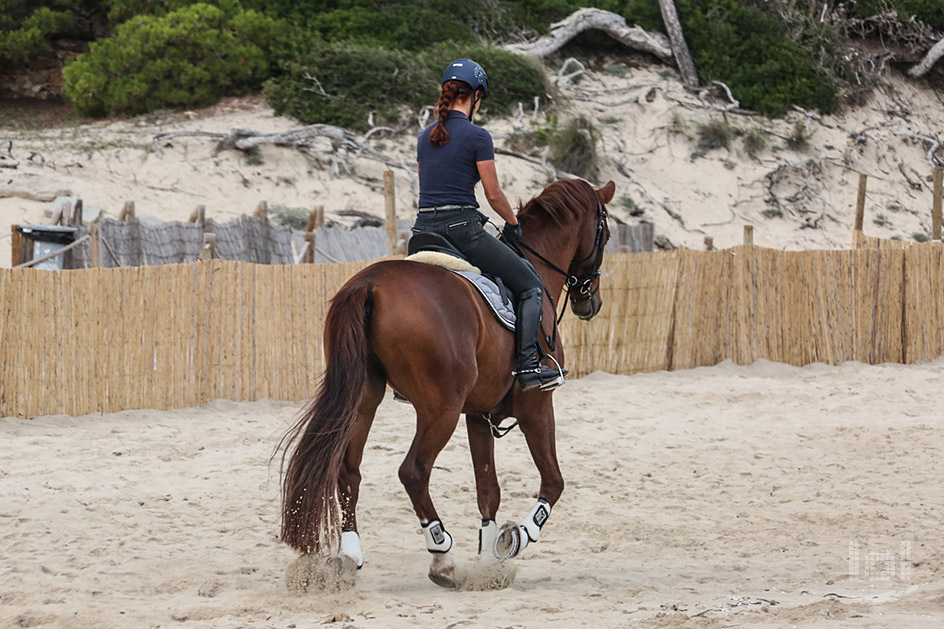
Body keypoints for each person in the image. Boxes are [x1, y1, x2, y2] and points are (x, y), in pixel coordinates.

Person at [413, 59, 565, 391]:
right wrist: (512, 224)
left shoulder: (425, 137)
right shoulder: (477, 136)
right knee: (529, 285)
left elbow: (428, 188)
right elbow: (493, 194)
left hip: (422, 234)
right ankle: (527, 367)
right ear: (477, 95)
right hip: (462, 231)